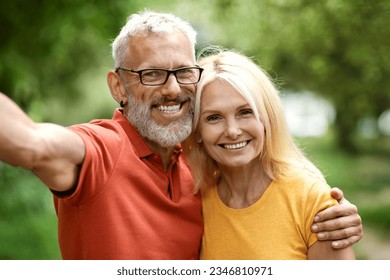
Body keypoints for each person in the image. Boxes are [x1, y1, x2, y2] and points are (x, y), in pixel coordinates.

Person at [0, 10, 361, 260]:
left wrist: (330, 212)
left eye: (183, 72)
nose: (172, 89)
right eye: (152, 74)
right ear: (118, 86)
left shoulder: (200, 171)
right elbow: (31, 142)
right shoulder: (102, 150)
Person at [183, 48, 356, 259]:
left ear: (267, 118)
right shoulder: (198, 198)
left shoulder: (312, 199)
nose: (233, 131)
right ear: (197, 131)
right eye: (214, 118)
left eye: (245, 112)